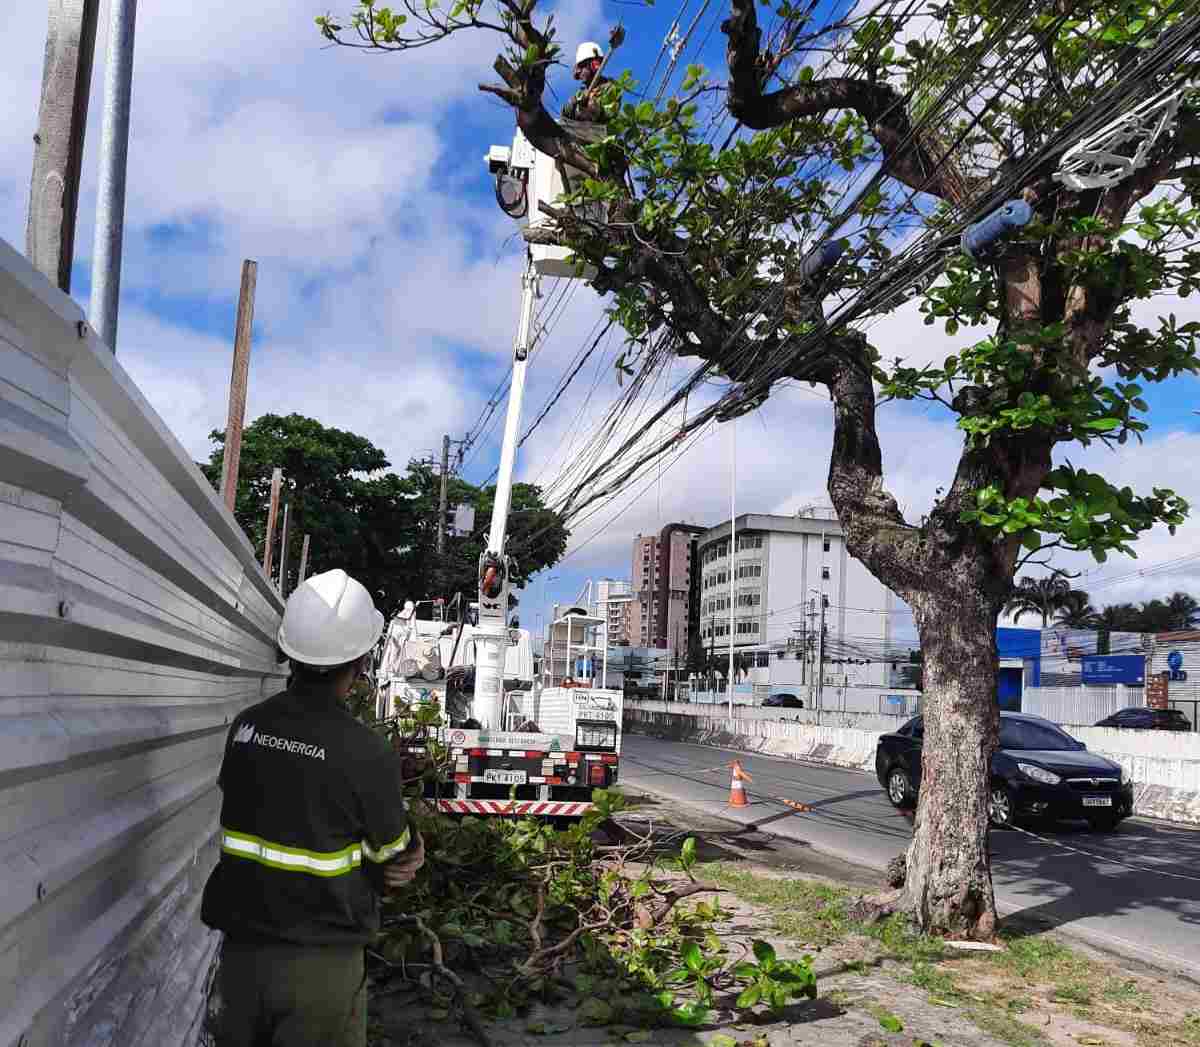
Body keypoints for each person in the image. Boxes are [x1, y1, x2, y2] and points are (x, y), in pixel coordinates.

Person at [201, 569, 425, 1047]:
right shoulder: (366, 752)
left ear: (291, 651)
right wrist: (411, 852)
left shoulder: (246, 727)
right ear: (361, 661)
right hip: (321, 968)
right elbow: (394, 857)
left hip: (240, 960)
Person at [562, 41, 612, 123]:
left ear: (594, 65)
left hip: (599, 133)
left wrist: (595, 109)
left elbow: (610, 115)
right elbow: (564, 114)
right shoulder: (581, 92)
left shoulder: (609, 87)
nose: (579, 72)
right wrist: (573, 104)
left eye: (581, 67)